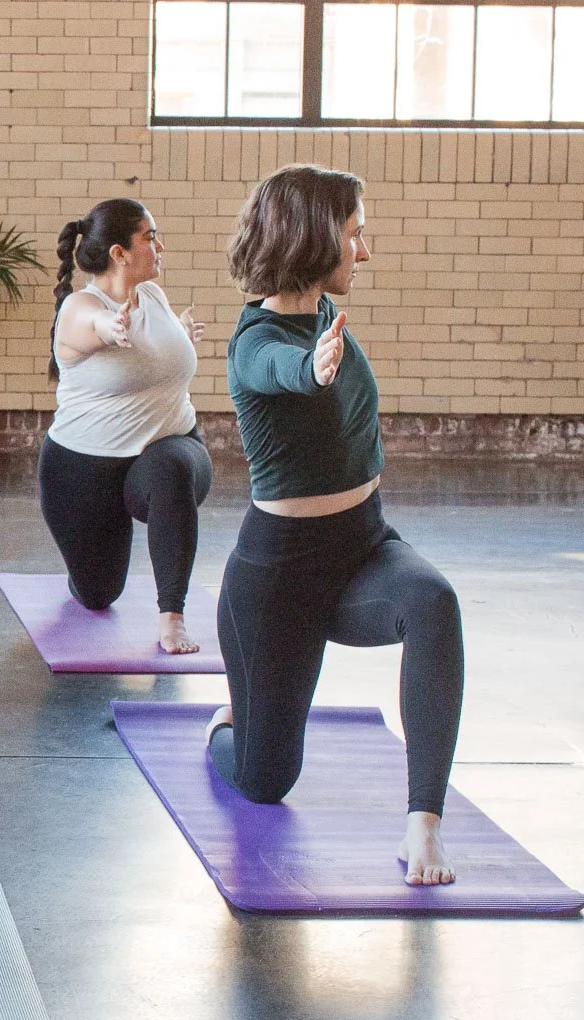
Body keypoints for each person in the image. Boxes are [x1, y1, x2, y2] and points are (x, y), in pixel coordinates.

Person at [210, 164, 463, 886]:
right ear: (314, 237)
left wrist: (324, 354)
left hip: (364, 545)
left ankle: (423, 828)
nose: (366, 251)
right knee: (264, 780)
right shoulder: (254, 340)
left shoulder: (327, 314)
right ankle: (227, 725)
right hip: (277, 576)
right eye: (356, 234)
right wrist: (312, 370)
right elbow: (273, 369)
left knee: (434, 603)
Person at [43, 198, 213, 653]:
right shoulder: (81, 307)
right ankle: (89, 577)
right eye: (150, 237)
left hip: (169, 448)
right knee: (99, 596)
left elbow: (150, 352)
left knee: (172, 466)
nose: (160, 246)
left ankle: (172, 617)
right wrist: (110, 328)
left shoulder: (154, 295)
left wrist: (178, 331)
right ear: (119, 253)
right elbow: (91, 324)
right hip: (81, 471)